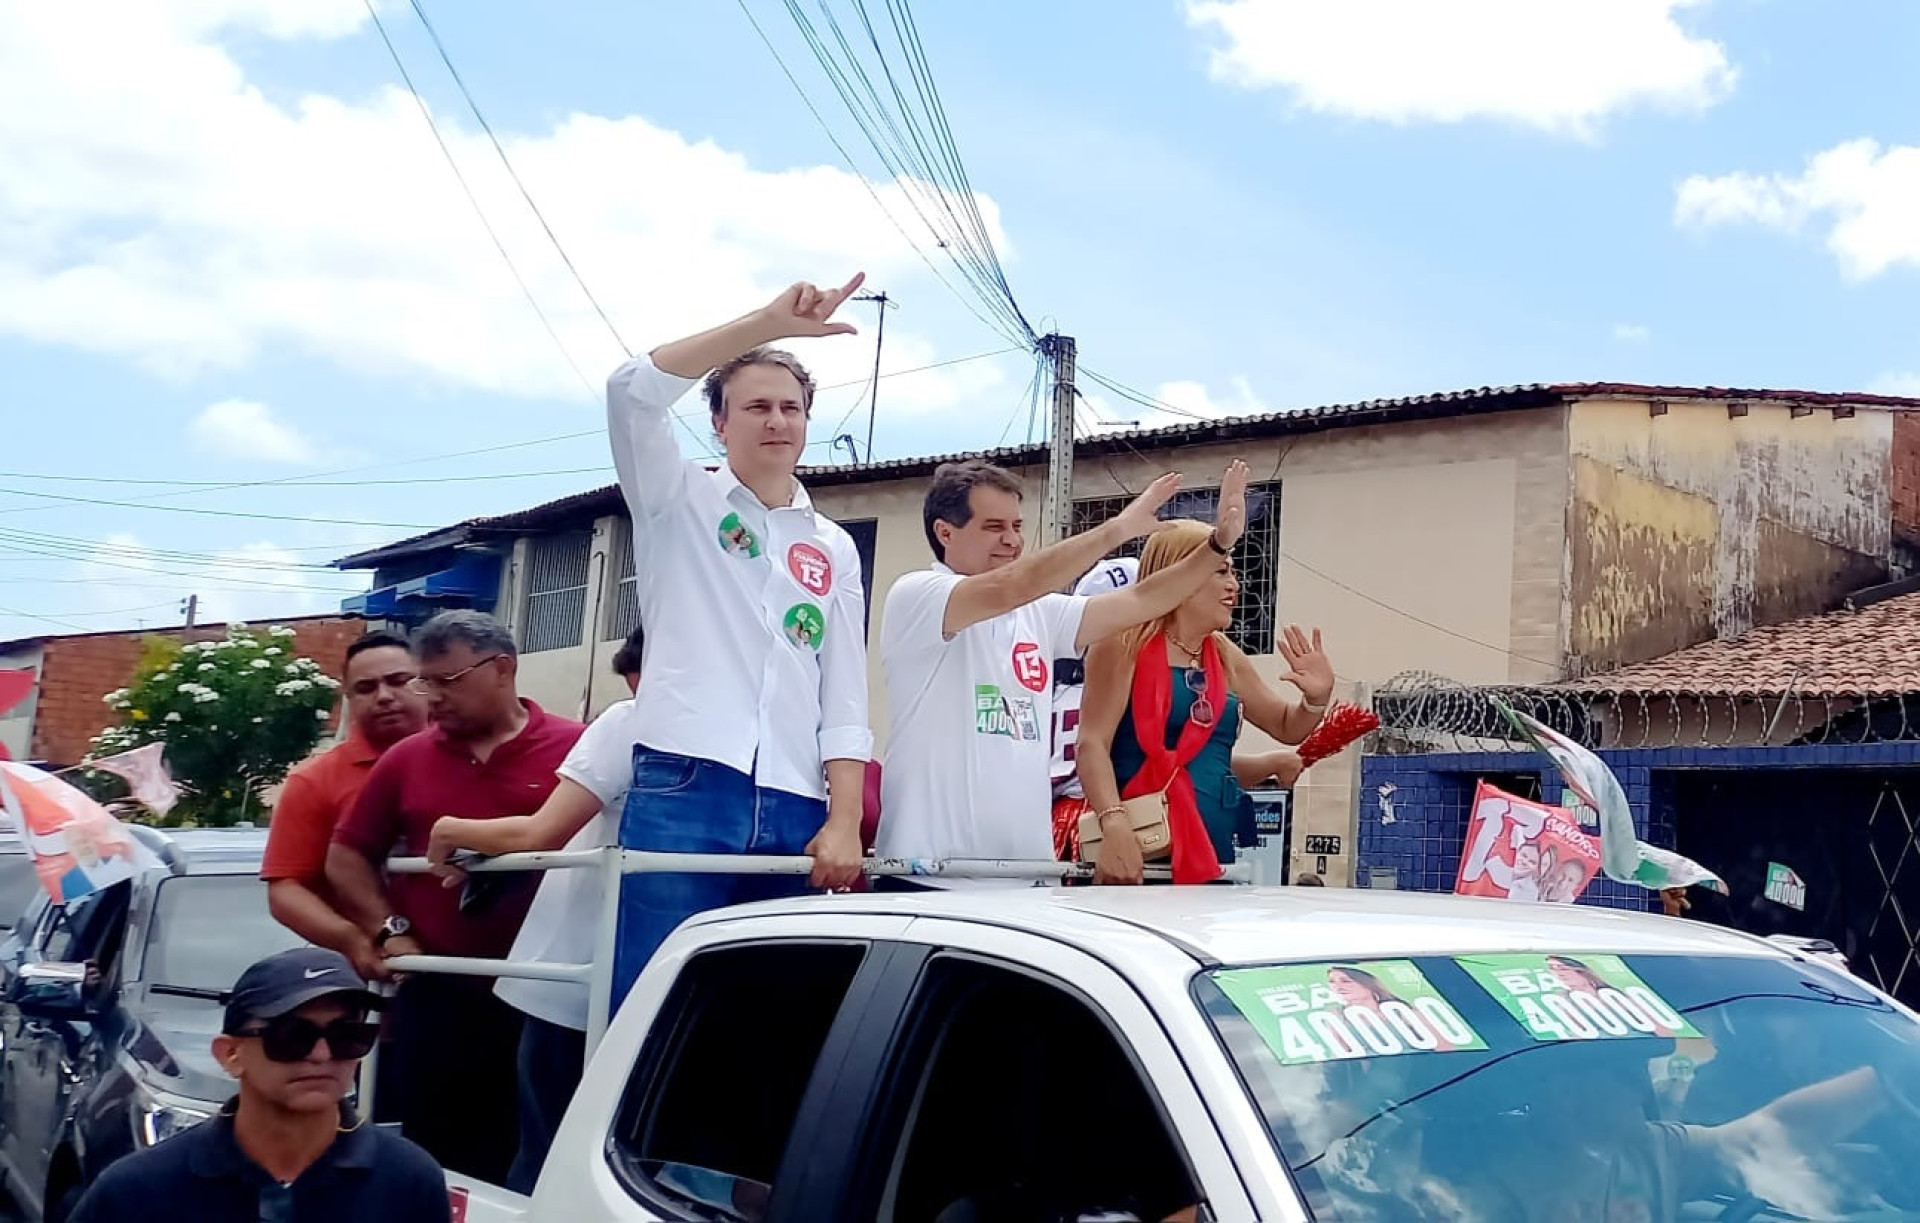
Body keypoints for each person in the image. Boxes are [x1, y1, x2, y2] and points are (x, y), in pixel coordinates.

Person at [604, 276, 872, 995]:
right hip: (688, 782)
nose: (776, 420)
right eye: (756, 405)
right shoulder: (674, 495)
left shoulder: (835, 546)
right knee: (654, 1002)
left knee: (767, 1016)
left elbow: (846, 697)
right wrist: (765, 323)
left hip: (795, 801)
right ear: (719, 425)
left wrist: (843, 819)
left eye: (791, 407)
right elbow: (632, 388)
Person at [874, 458, 1251, 886]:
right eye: (993, 527)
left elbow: (1142, 602)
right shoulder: (917, 596)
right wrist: (1118, 530)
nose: (1012, 541)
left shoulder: (1039, 613)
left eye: (1017, 526)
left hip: (1028, 879)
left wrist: (1217, 546)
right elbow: (1012, 585)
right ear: (945, 531)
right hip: (930, 876)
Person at [327, 610, 584, 1184]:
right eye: (426, 681)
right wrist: (391, 929)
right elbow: (344, 857)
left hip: (553, 996)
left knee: (545, 1161)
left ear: (503, 669)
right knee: (437, 1167)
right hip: (440, 993)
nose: (431, 697)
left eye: (447, 681)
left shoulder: (579, 749)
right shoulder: (407, 759)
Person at [422, 625, 645, 1193]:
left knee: (548, 1155)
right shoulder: (763, 738)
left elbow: (541, 830)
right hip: (668, 983)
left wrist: (451, 829)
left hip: (575, 983)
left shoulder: (631, 721)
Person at [68, 947, 448, 1222]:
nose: (320, 1055)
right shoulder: (137, 1191)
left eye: (347, 1035)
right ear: (230, 1054)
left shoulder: (407, 1179)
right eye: (291, 1036)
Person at [1076, 520, 1335, 885]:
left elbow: (1286, 726)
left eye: (1234, 572)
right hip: (1139, 857)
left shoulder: (1225, 655)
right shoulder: (1121, 644)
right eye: (1221, 571)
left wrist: (1316, 697)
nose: (1235, 585)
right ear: (1181, 574)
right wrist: (1113, 821)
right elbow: (1091, 743)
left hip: (1213, 857)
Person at [262, 631, 428, 979]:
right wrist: (352, 939)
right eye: (366, 688)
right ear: (349, 697)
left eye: (398, 681)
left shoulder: (472, 757)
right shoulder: (315, 781)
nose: (384, 696)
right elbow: (285, 890)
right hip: (375, 985)